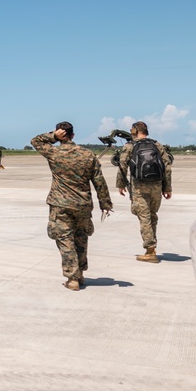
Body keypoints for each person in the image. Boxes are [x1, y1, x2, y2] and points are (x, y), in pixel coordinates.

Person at [32, 122, 114, 291]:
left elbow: (36, 141)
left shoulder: (54, 152)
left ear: (60, 133)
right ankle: (80, 274)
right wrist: (105, 203)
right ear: (73, 135)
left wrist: (53, 137)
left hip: (60, 204)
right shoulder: (87, 154)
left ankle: (72, 278)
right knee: (81, 239)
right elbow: (99, 181)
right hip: (82, 205)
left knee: (65, 240)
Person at [115, 121, 173, 263]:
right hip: (156, 186)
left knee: (144, 217)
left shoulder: (130, 146)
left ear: (135, 131)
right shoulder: (157, 145)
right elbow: (167, 167)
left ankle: (150, 250)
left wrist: (120, 184)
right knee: (152, 216)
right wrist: (167, 187)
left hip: (139, 187)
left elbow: (122, 166)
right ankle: (152, 246)